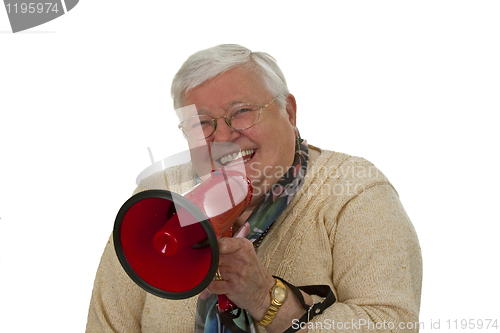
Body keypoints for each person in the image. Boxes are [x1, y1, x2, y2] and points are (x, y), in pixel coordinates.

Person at [86, 44, 422, 332]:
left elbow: (390, 322)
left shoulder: (354, 191)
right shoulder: (157, 196)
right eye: (200, 123)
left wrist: (267, 299)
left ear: (289, 113)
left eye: (242, 111)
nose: (221, 137)